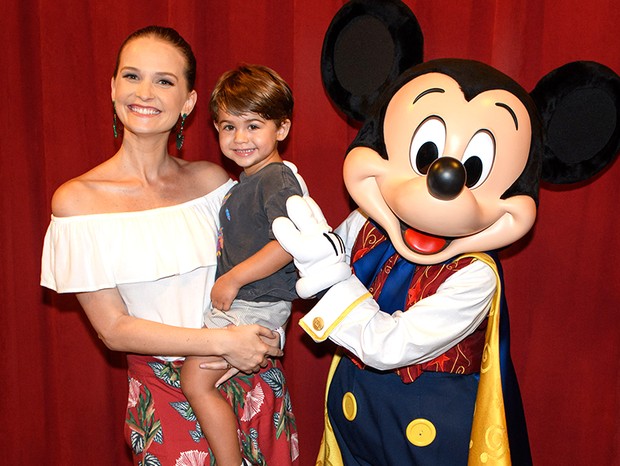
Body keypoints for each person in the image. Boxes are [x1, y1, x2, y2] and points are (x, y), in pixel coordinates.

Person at [40, 26, 298, 466]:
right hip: (164, 394)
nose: (145, 92)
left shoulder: (216, 184)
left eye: (164, 80)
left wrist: (257, 336)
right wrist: (222, 342)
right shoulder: (78, 202)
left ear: (190, 102)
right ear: (112, 88)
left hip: (252, 377)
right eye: (131, 76)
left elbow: (277, 255)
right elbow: (113, 328)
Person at [180, 64, 305, 466]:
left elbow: (289, 246)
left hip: (253, 302)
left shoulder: (275, 180)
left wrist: (233, 279)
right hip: (250, 303)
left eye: (254, 125)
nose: (240, 138)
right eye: (228, 126)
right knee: (207, 378)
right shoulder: (246, 183)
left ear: (281, 129)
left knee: (195, 381)